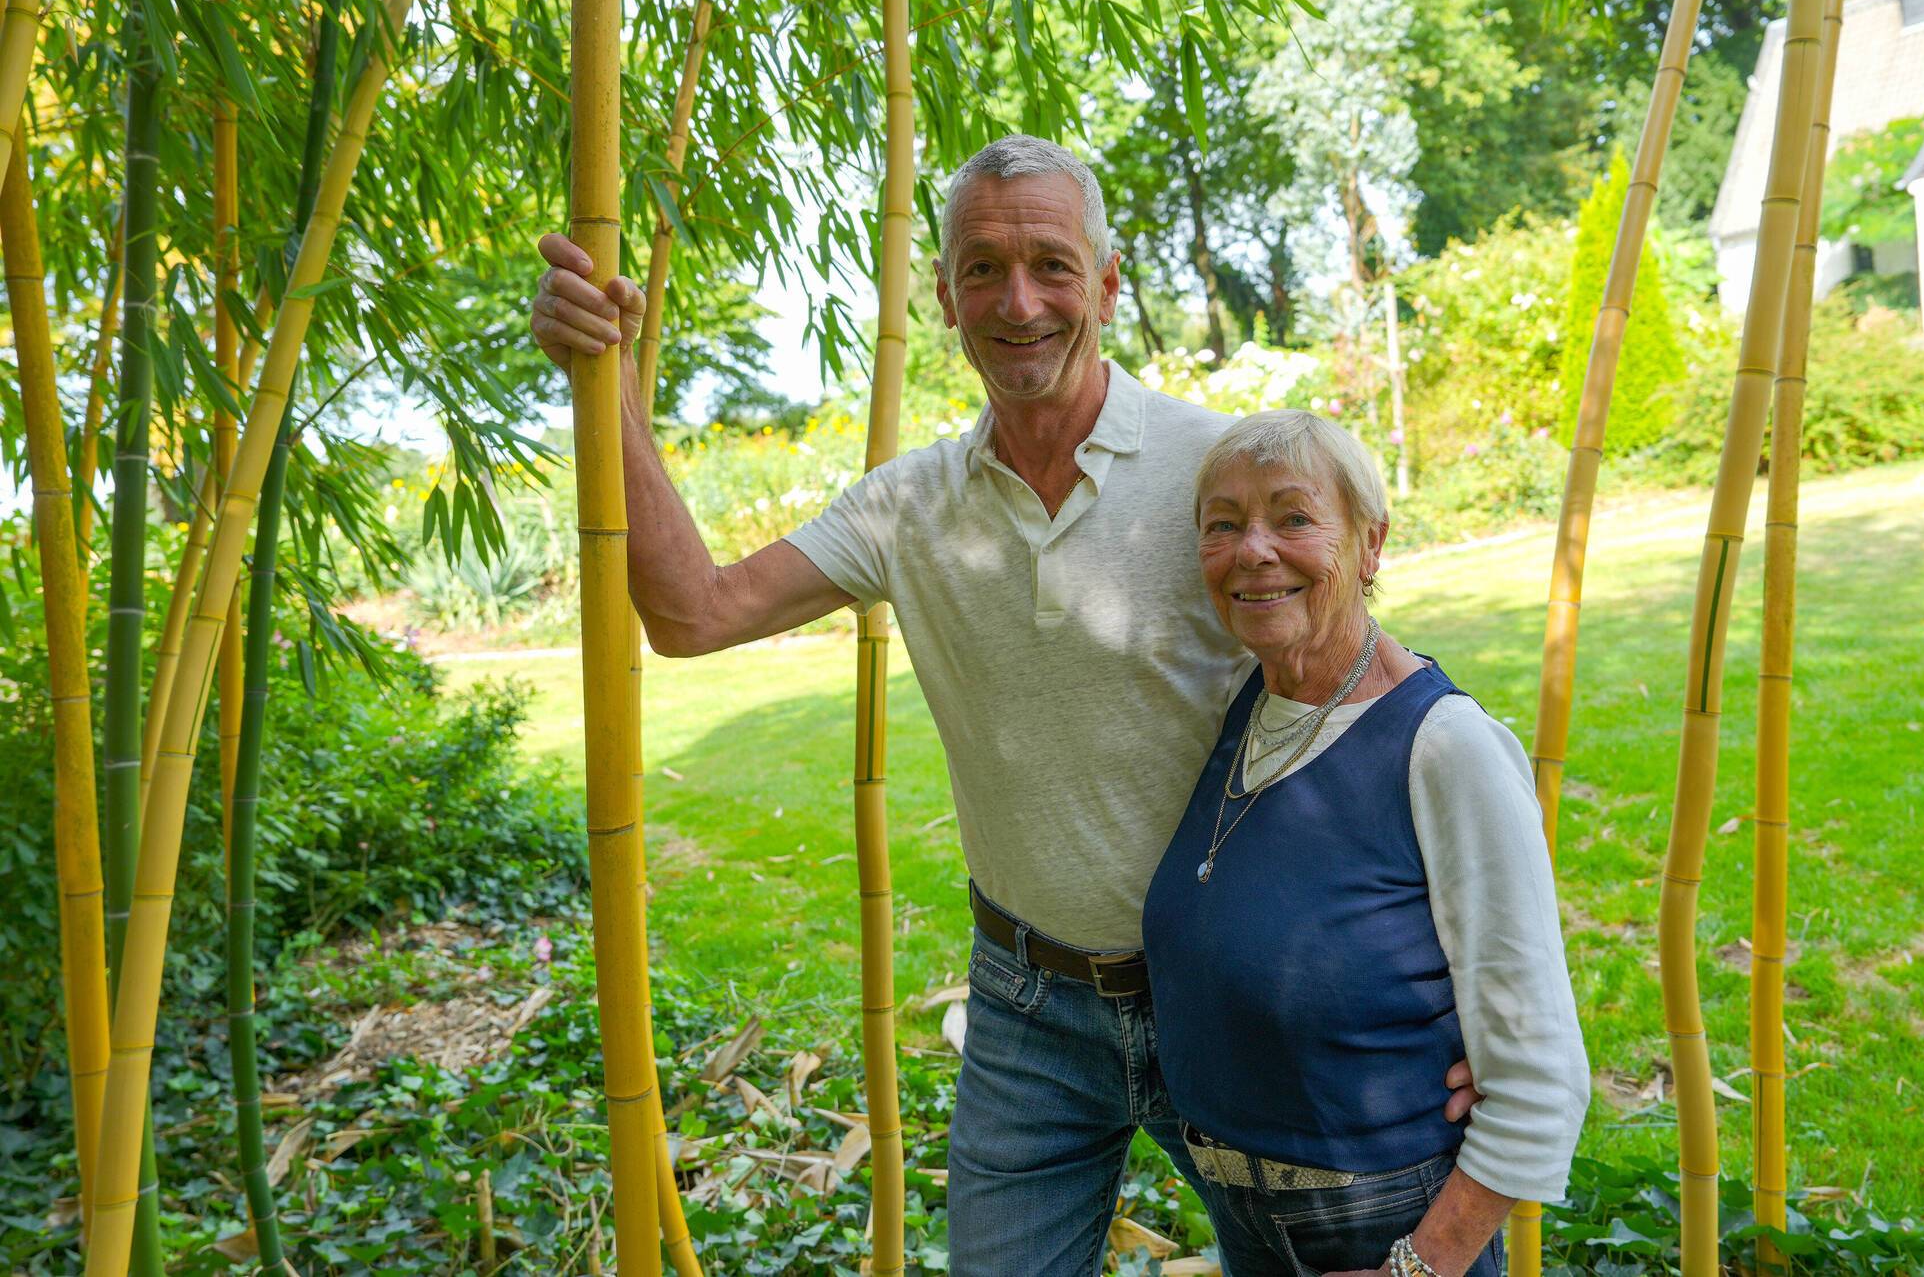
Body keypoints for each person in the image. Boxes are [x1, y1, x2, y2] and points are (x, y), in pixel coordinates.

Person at [528, 134, 1479, 1275]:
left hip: (1230, 989)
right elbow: (690, 614)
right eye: (981, 268)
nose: (1017, 300)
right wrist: (610, 381)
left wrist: (1470, 990)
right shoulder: (907, 507)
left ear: (1109, 283)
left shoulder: (1212, 471)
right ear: (940, 295)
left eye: (1050, 264)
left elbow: (1374, 698)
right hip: (1028, 1005)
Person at [1142, 410, 1590, 1277]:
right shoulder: (1251, 705)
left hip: (1381, 1225)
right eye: (1224, 525)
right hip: (1245, 1221)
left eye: (1294, 517)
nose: (1254, 550)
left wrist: (1419, 1266)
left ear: (1371, 544)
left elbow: (1538, 1069)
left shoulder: (1443, 744)